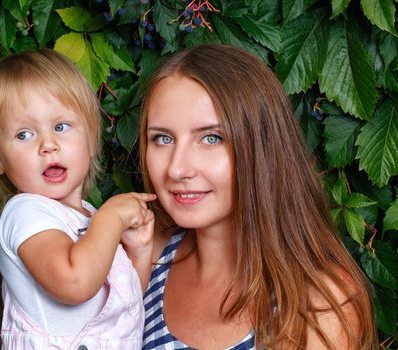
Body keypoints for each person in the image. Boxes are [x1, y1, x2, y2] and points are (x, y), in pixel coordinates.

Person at [135, 44, 377, 349]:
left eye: (211, 138)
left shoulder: (319, 302)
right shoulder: (146, 258)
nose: (177, 168)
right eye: (163, 138)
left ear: (262, 147)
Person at [0, 49, 155, 349]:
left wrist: (140, 252)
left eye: (61, 127)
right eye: (24, 135)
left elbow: (123, 310)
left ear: (92, 138)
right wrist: (111, 218)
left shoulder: (90, 218)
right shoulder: (25, 213)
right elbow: (75, 282)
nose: (48, 145)